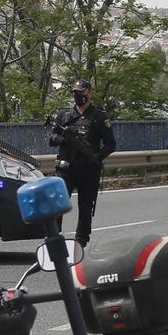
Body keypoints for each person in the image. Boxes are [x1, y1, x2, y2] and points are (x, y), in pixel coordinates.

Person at [48, 78, 116, 246]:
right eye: (75, 93)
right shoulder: (64, 115)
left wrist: (96, 158)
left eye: (81, 92)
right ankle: (55, 240)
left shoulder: (99, 116)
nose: (78, 96)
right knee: (58, 205)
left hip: (88, 170)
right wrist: (64, 141)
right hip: (66, 169)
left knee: (85, 207)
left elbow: (111, 144)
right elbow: (52, 138)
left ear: (89, 93)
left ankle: (80, 242)